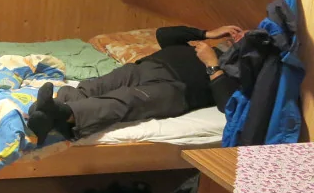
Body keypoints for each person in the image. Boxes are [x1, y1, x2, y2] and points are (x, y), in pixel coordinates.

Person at [27, 25, 243, 142]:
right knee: (92, 86)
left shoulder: (236, 69)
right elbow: (164, 33)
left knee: (126, 99)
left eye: (245, 37)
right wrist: (207, 33)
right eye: (239, 32)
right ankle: (52, 117)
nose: (237, 35)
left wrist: (212, 64)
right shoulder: (203, 45)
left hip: (175, 89)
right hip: (144, 68)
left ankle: (63, 114)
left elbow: (226, 103)